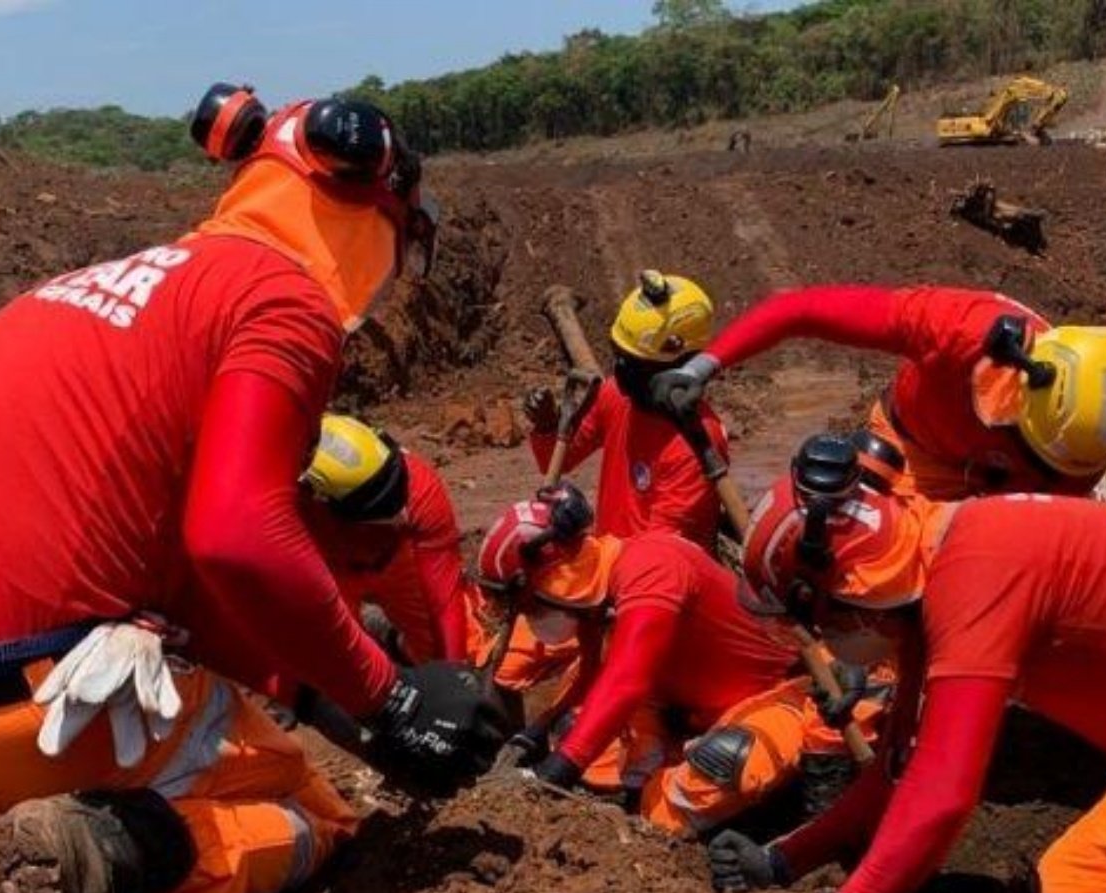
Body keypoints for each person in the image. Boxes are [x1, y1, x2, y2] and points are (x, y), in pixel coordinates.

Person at [0, 84, 503, 893]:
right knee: (314, 810)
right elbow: (237, 536)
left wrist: (327, 693)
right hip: (33, 708)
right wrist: (391, 700)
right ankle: (120, 847)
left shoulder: (91, 291)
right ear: (371, 202)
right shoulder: (280, 299)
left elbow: (189, 585)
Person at [710, 433, 1106, 893]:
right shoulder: (938, 552)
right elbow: (898, 774)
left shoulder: (976, 576)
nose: (827, 639)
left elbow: (943, 792)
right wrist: (782, 860)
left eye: (821, 621)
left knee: (1079, 892)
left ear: (844, 592)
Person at [475, 484, 877, 835]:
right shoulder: (599, 585)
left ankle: (683, 803)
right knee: (572, 726)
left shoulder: (652, 567)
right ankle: (650, 777)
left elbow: (626, 680)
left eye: (526, 606)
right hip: (680, 702)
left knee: (718, 766)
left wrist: (558, 770)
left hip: (777, 692)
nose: (528, 617)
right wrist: (538, 732)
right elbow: (595, 671)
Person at [648, 284, 1106, 506]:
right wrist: (702, 365)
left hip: (1022, 487)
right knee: (875, 567)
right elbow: (800, 309)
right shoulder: (954, 327)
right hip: (917, 453)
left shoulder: (1086, 443)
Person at [523, 270, 728, 552]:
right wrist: (548, 427)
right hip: (613, 565)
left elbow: (658, 556)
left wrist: (590, 560)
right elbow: (557, 460)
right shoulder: (618, 396)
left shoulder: (695, 447)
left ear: (684, 367)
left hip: (656, 585)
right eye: (619, 356)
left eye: (635, 363)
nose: (621, 370)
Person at [302, 413, 479, 665]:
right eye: (381, 513)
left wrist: (456, 672)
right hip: (328, 569)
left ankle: (392, 640)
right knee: (336, 660)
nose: (400, 514)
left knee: (436, 650)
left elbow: (444, 599)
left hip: (396, 561)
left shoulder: (419, 488)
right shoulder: (289, 509)